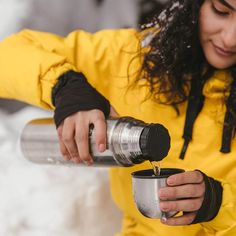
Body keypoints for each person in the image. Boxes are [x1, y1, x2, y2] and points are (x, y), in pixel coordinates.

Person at [0, 0, 236, 235]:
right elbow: (8, 55)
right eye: (221, 11)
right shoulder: (135, 59)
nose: (230, 39)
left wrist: (219, 203)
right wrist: (65, 85)